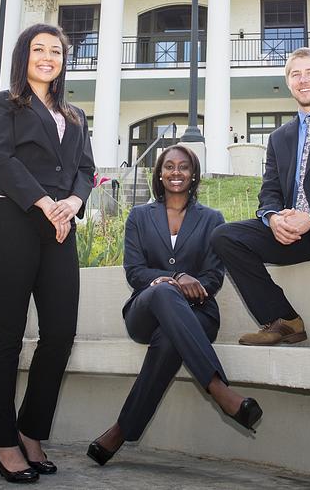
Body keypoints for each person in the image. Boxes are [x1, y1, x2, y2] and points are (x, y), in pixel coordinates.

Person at [87, 144, 262, 466]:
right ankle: (218, 389)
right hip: (145, 311)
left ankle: (120, 431)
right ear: (160, 173)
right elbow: (135, 272)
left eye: (184, 166)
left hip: (199, 314)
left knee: (169, 340)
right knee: (166, 291)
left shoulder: (212, 219)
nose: (176, 172)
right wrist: (178, 277)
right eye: (169, 166)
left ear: (194, 173)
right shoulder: (140, 216)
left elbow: (213, 276)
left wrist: (189, 284)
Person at [0, 23, 95, 484]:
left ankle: (31, 430)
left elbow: (85, 168)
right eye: (39, 49)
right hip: (14, 219)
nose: (48, 57)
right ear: (24, 55)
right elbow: (0, 158)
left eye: (56, 51)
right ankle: (4, 442)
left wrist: (73, 201)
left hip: (61, 229)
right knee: (6, 334)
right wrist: (45, 201)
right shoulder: (3, 105)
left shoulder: (75, 114)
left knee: (61, 332)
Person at [211, 47, 310, 351]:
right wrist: (273, 218)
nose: (303, 80)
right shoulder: (279, 138)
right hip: (294, 233)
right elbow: (270, 190)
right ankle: (283, 320)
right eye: (295, 74)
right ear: (288, 83)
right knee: (224, 236)